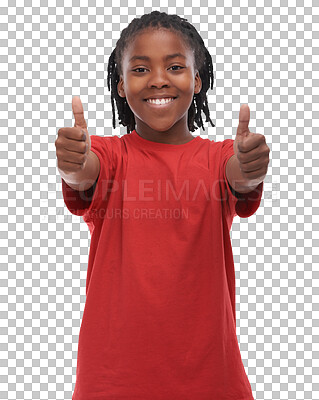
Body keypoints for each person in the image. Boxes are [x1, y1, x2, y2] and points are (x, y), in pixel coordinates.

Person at [55, 10, 270, 400]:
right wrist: (74, 163)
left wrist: (251, 167)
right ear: (120, 85)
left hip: (211, 378)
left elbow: (240, 176)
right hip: (113, 380)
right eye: (140, 69)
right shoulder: (109, 154)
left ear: (197, 80)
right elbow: (85, 174)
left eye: (174, 66)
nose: (158, 79)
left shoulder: (219, 157)